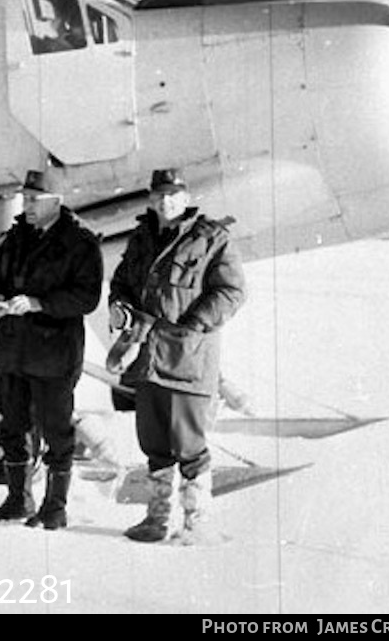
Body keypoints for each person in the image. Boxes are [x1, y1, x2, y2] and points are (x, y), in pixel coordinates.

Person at [109, 168, 246, 545]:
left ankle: (196, 522)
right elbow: (122, 282)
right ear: (151, 200)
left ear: (186, 198)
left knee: (189, 445)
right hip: (148, 359)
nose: (166, 201)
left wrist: (195, 325)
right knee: (154, 443)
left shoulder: (211, 239)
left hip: (188, 360)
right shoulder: (142, 239)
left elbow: (231, 291)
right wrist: (119, 308)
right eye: (159, 195)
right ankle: (156, 519)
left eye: (173, 194)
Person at [0, 169, 102, 531]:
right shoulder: (18, 236)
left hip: (53, 357)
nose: (27, 206)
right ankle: (18, 498)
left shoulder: (79, 243)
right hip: (15, 352)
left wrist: (37, 303)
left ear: (55, 202)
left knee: (56, 432)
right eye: (26, 199)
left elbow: (86, 296)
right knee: (13, 427)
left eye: (34, 200)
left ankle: (54, 507)